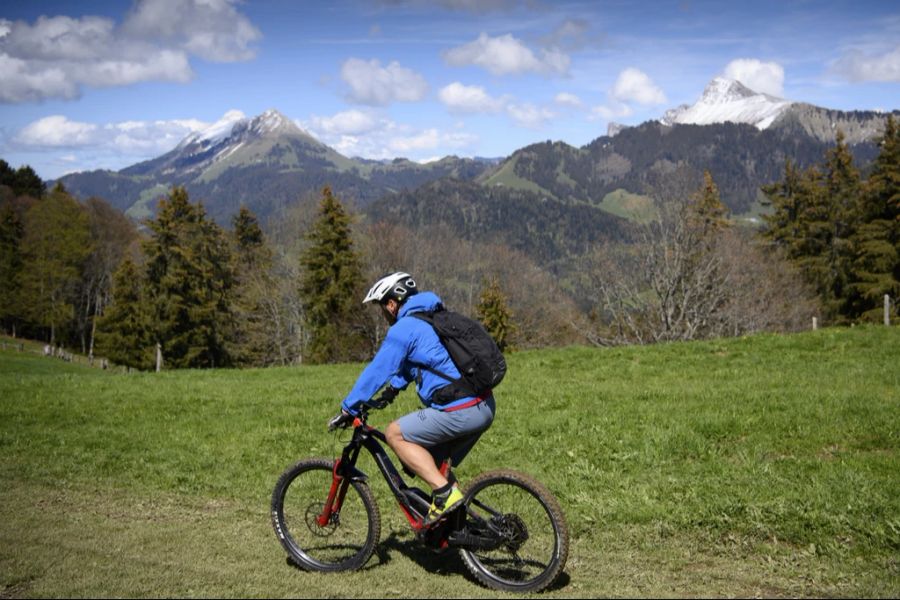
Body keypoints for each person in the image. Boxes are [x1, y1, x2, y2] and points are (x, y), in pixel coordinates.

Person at [329, 272, 496, 526]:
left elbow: (378, 370)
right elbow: (421, 362)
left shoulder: (404, 328)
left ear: (392, 303)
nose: (384, 314)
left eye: (382, 307)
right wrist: (393, 389)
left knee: (395, 433)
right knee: (434, 462)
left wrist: (348, 407)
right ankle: (456, 528)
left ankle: (445, 495)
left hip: (461, 409)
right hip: (484, 405)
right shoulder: (431, 317)